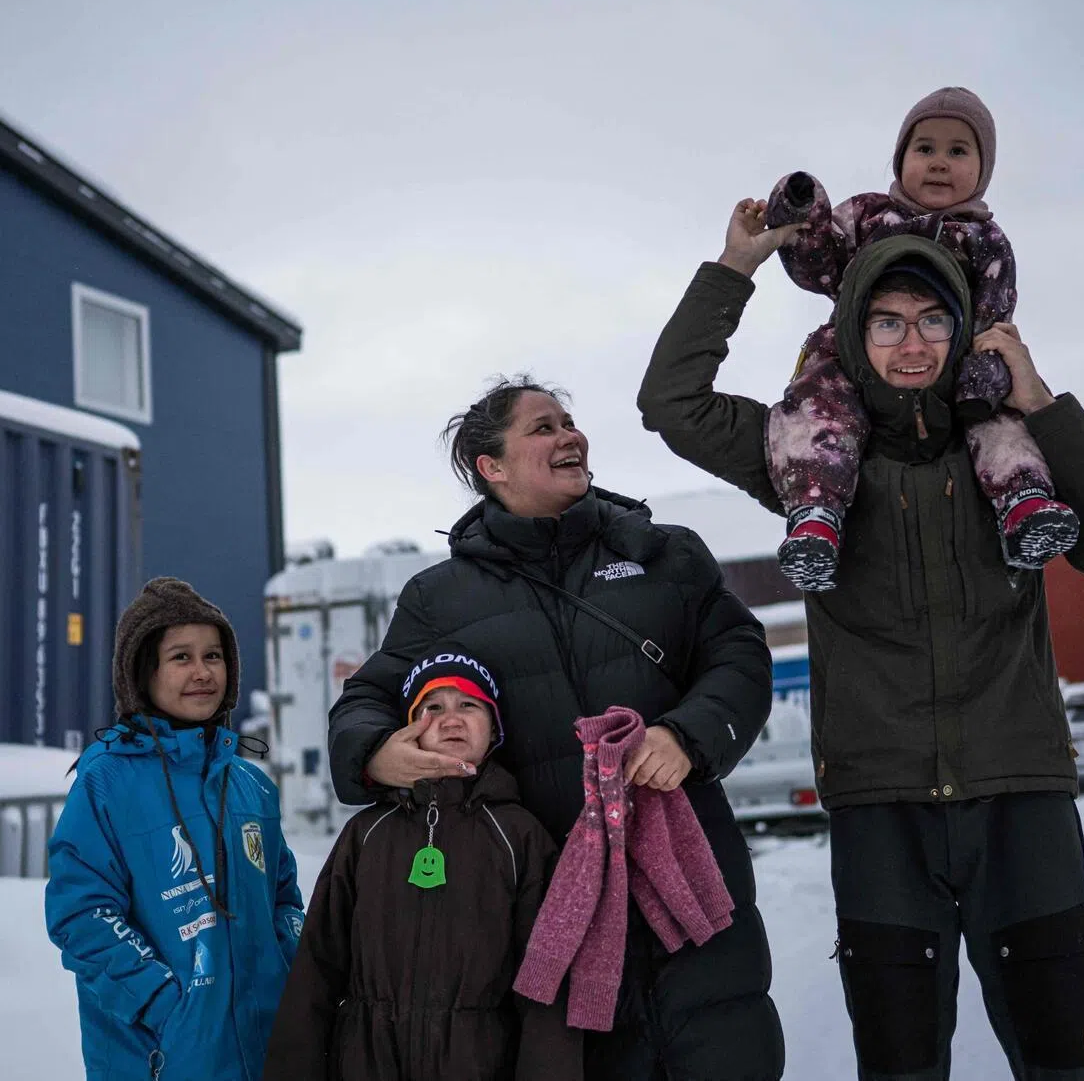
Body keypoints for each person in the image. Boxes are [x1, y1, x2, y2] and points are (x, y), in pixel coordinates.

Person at [637, 198, 1084, 1080]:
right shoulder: (807, 460)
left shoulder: (1012, 457)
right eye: (887, 323)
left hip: (1021, 806)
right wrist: (735, 269)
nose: (912, 343)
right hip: (882, 819)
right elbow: (671, 402)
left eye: (934, 320)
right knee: (900, 1066)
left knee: (1066, 1062)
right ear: (851, 335)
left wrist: (1040, 397)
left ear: (964, 330)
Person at [326, 376, 785, 1080]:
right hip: (556, 901)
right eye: (543, 428)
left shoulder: (664, 553)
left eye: (569, 422)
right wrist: (376, 755)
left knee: (728, 1053)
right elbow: (368, 699)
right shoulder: (439, 597)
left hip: (692, 877)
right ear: (493, 467)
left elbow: (740, 653)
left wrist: (688, 736)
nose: (570, 436)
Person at [761, 86, 1078, 590]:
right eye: (924, 148)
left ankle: (1025, 504)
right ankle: (816, 516)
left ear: (983, 167)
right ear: (901, 157)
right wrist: (799, 207)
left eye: (958, 151)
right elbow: (817, 266)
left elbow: (993, 316)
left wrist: (980, 387)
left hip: (957, 362)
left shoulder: (986, 241)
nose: (939, 163)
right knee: (813, 414)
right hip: (853, 357)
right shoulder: (868, 215)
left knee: (1002, 424)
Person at [263, 642, 582, 1081]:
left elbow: (546, 986)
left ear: (494, 727)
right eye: (432, 706)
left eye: (469, 704)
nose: (451, 718)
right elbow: (316, 969)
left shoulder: (521, 838)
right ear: (409, 728)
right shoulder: (366, 834)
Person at [45, 577, 305, 1081]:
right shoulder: (106, 781)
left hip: (267, 1049)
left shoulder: (250, 784)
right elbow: (82, 915)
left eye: (213, 655)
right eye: (180, 657)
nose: (202, 672)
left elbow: (283, 897)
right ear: (142, 671)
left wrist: (285, 971)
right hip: (162, 1057)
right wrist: (164, 1005)